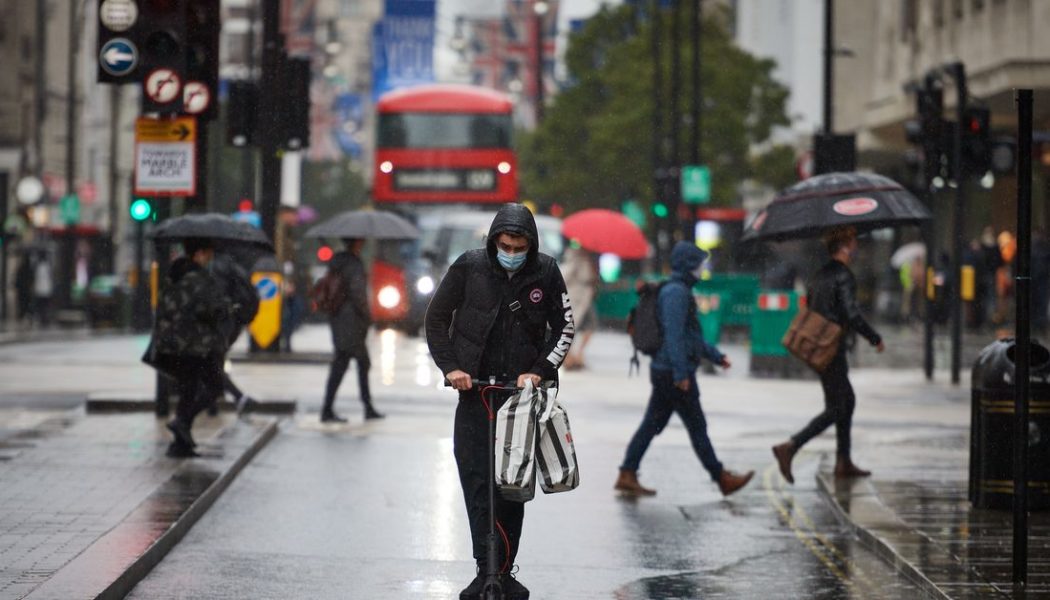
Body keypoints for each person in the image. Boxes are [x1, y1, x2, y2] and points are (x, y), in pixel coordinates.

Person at [424, 203, 575, 600]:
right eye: (505, 244)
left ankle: (505, 570)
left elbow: (564, 328)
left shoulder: (546, 272)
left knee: (512, 486)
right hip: (474, 395)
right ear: (494, 242)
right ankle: (483, 568)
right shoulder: (468, 268)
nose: (512, 251)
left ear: (531, 244)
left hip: (521, 401)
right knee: (477, 484)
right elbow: (436, 319)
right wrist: (452, 368)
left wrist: (539, 371)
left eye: (519, 245)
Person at [614, 241, 754, 498]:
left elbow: (690, 336)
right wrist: (681, 374)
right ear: (689, 265)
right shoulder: (676, 293)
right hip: (672, 371)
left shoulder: (678, 290)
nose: (703, 269)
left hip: (667, 369)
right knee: (696, 427)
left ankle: (627, 472)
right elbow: (675, 336)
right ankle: (721, 478)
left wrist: (715, 355)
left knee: (652, 424)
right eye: (700, 264)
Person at [772, 227, 885, 483]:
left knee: (845, 402)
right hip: (832, 348)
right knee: (839, 406)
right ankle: (790, 446)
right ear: (844, 245)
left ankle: (843, 460)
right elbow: (850, 313)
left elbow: (813, 305)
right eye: (853, 241)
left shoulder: (821, 274)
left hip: (818, 347)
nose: (856, 245)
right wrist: (874, 337)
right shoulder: (843, 275)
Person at [150, 238, 229, 458]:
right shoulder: (200, 279)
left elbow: (167, 307)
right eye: (208, 254)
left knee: (188, 389)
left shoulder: (174, 274)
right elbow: (210, 310)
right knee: (215, 386)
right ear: (199, 254)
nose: (210, 258)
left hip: (172, 344)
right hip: (195, 344)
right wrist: (224, 309)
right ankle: (182, 421)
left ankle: (180, 445)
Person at [321, 238, 383, 422]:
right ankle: (331, 409)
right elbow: (357, 293)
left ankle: (364, 406)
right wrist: (368, 315)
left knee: (349, 363)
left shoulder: (337, 262)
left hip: (339, 318)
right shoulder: (353, 264)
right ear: (357, 242)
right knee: (351, 364)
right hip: (352, 322)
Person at [208, 251, 260, 416]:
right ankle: (212, 405)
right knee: (214, 362)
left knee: (209, 365)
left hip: (218, 323)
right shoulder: (234, 266)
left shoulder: (214, 268)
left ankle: (239, 398)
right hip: (233, 324)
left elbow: (214, 299)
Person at [560, 244, 598, 370]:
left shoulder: (591, 257)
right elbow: (565, 275)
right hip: (576, 297)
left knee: (589, 326)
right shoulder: (575, 256)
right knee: (571, 327)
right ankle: (569, 358)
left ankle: (577, 355)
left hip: (586, 297)